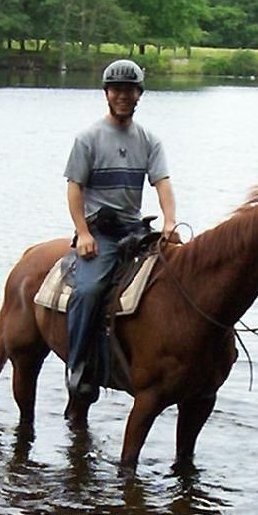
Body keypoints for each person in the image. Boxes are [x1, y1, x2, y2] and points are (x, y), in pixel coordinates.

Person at [63, 59, 177, 396]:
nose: (123, 96)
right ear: (107, 94)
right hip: (101, 230)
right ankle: (79, 365)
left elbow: (163, 184)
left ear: (139, 95)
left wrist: (170, 221)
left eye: (130, 90)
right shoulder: (88, 139)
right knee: (88, 290)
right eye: (117, 90)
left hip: (134, 229)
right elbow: (74, 188)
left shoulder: (149, 141)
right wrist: (83, 233)